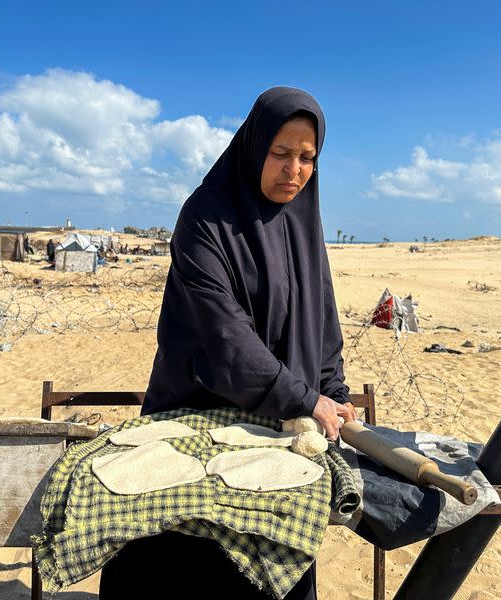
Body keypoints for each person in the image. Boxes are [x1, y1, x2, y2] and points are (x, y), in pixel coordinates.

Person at [99, 87, 353, 600]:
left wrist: (333, 390)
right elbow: (223, 333)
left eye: (308, 158)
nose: (294, 171)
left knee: (271, 561)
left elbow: (321, 322)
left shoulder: (304, 223)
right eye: (281, 154)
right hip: (195, 411)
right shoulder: (204, 219)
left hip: (280, 425)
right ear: (254, 146)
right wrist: (302, 398)